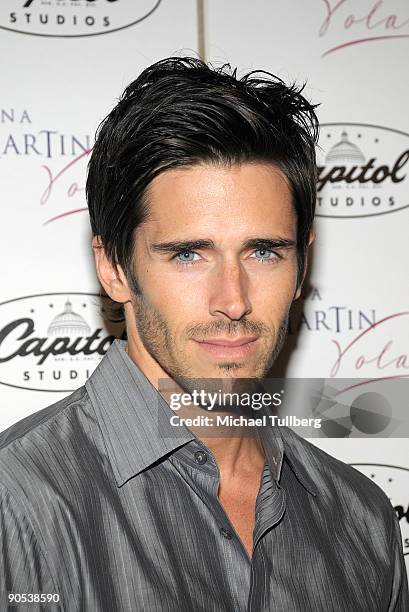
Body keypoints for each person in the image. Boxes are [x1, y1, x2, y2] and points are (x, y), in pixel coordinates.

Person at [0, 57, 407, 612]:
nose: (233, 300)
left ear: (301, 266)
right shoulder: (16, 505)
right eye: (189, 254)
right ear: (115, 268)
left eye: (264, 252)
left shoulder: (362, 521)